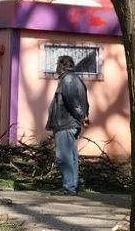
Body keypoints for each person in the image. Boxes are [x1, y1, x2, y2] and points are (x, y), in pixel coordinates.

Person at [46, 55, 89, 196]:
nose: (56, 68)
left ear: (62, 66)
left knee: (64, 156)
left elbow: (72, 102)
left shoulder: (68, 80)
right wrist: (83, 116)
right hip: (71, 124)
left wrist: (80, 116)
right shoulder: (76, 80)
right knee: (71, 156)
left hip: (65, 123)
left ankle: (69, 187)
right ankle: (72, 186)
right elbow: (84, 102)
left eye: (57, 65)